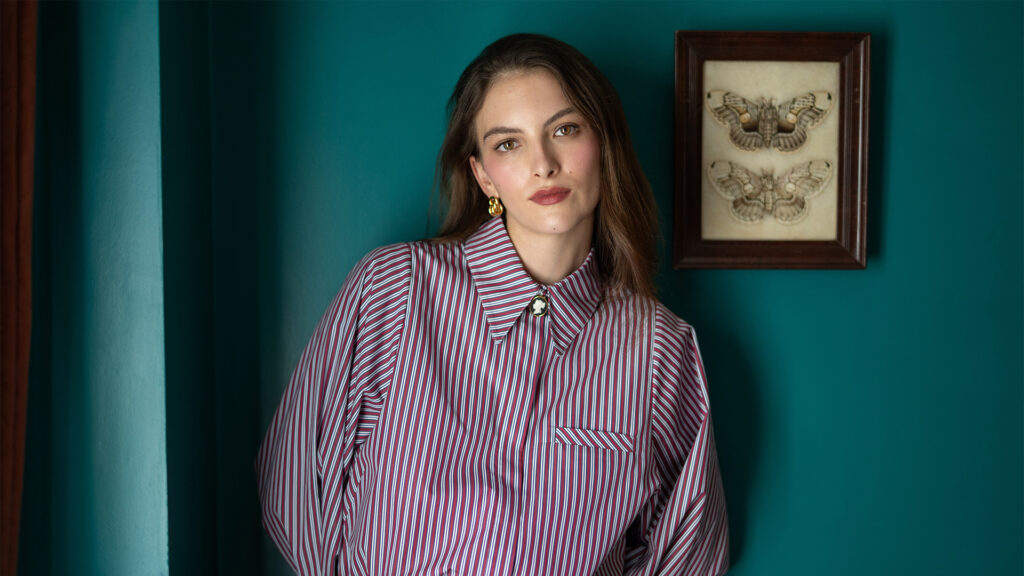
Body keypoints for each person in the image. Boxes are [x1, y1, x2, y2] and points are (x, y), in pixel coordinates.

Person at [257, 33, 730, 575]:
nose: (543, 164)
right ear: (483, 174)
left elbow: (692, 549)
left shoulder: (659, 347)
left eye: (565, 129)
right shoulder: (394, 289)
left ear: (604, 144)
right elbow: (294, 484)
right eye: (508, 143)